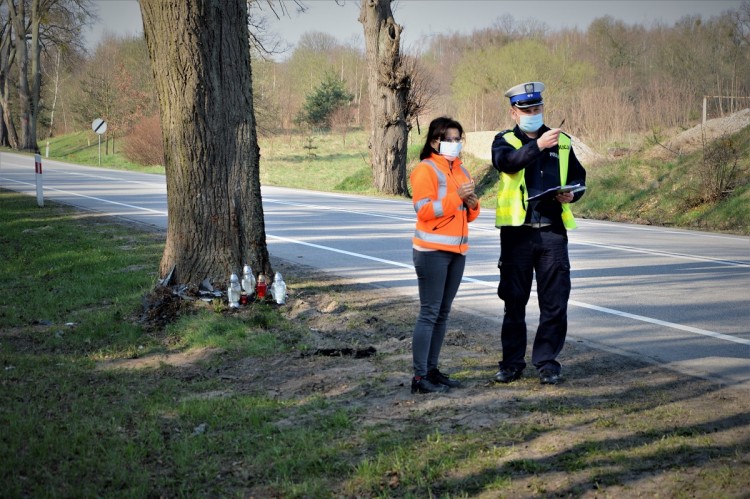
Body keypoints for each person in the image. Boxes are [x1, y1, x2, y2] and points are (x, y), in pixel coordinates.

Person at [491, 82, 586, 385]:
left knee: (555, 301)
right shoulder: (504, 140)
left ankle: (547, 362)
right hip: (517, 234)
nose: (533, 113)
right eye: (527, 109)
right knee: (514, 300)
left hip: (552, 233)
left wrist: (574, 195)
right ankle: (511, 363)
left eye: (537, 108)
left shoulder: (563, 142)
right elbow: (508, 164)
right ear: (514, 112)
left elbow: (578, 178)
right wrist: (538, 146)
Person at [410, 117, 480, 394]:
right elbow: (424, 210)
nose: (454, 144)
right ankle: (419, 378)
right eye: (448, 139)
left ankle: (432, 370)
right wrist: (457, 198)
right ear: (434, 141)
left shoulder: (461, 170)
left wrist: (473, 205)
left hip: (457, 251)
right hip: (431, 252)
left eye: (457, 138)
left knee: (442, 314)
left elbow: (468, 214)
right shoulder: (425, 170)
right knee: (429, 313)